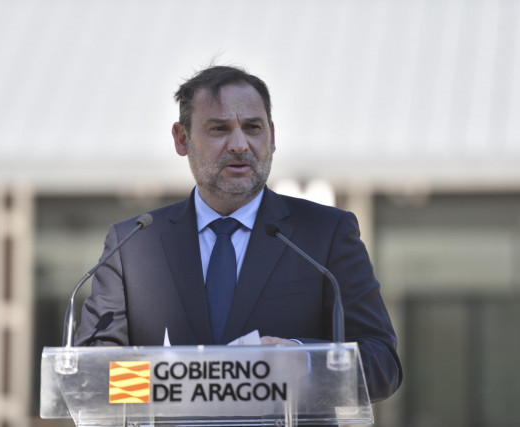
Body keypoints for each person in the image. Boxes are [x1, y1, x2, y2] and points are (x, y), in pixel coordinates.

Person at [75, 65, 402, 400]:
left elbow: (381, 364)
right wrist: (174, 381)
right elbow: (91, 376)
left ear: (272, 137)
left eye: (252, 128)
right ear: (182, 138)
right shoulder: (133, 245)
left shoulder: (324, 234)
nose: (239, 144)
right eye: (219, 129)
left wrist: (304, 360)